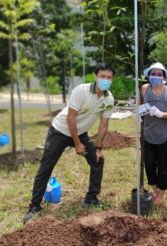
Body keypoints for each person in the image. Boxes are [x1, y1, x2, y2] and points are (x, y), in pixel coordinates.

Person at [23, 64, 115, 223]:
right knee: (47, 166)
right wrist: (77, 144)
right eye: (102, 76)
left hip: (80, 133)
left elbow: (104, 125)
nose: (105, 80)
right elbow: (70, 117)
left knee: (97, 160)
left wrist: (98, 148)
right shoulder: (82, 91)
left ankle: (91, 198)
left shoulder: (109, 99)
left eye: (108, 77)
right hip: (60, 130)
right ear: (95, 76)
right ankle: (34, 206)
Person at [141, 62, 167, 204]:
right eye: (153, 74)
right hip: (148, 134)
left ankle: (161, 193)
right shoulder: (144, 88)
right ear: (149, 75)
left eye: (159, 74)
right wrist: (141, 111)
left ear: (164, 77)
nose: (156, 76)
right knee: (149, 165)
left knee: (163, 166)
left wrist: (161, 114)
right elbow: (140, 107)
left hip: (165, 135)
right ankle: (154, 189)